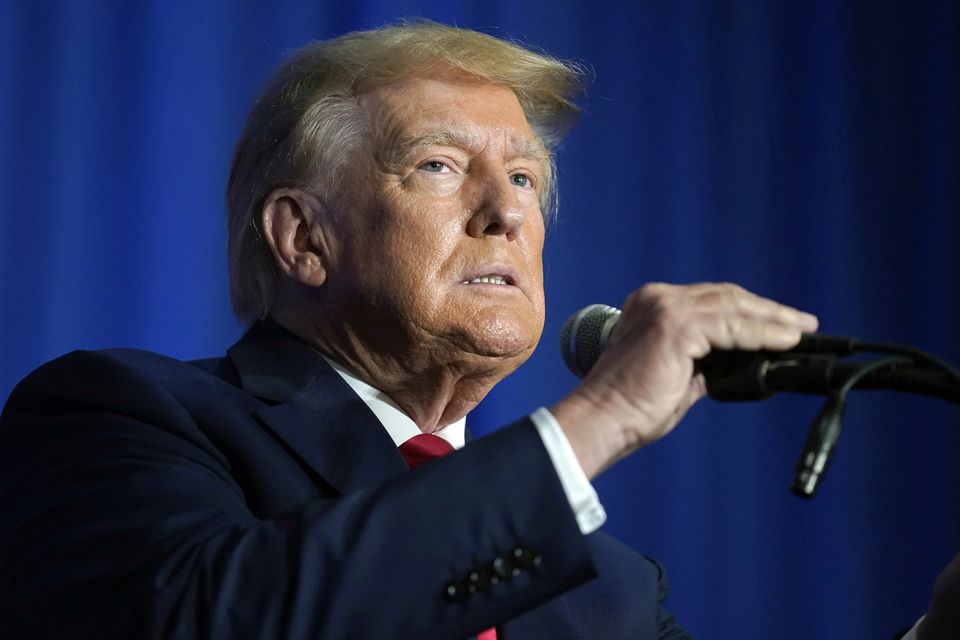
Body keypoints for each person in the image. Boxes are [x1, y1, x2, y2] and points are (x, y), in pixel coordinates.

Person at [0, 20, 944, 639]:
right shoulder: (122, 417)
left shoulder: (604, 589)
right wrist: (606, 412)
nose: (507, 214)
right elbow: (219, 620)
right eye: (441, 166)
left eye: (526, 179)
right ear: (302, 235)